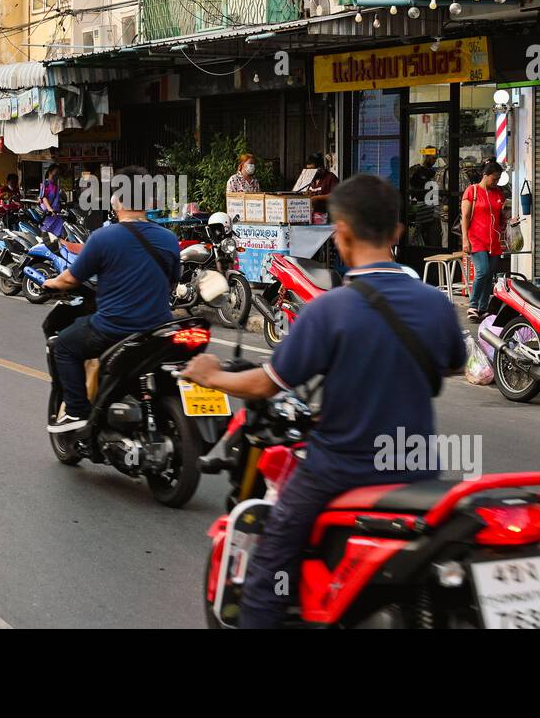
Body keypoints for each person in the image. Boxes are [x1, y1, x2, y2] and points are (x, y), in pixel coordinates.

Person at [181, 174, 467, 628]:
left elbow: (265, 384)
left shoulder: (329, 310)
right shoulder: (435, 304)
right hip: (419, 470)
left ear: (342, 234)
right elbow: (452, 365)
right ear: (397, 233)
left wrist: (213, 374)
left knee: (270, 556)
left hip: (341, 469)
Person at [43, 165, 181, 432]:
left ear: (116, 200)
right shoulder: (169, 239)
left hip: (114, 329)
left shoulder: (103, 238)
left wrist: (50, 284)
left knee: (63, 347)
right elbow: (172, 280)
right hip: (159, 330)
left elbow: (71, 278)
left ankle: (76, 412)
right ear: (149, 202)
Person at [461, 160, 506, 322]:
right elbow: (465, 217)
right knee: (483, 271)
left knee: (490, 275)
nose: (496, 182)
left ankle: (483, 308)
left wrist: (508, 220)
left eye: (498, 179)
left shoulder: (498, 193)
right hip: (476, 239)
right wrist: (465, 239)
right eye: (494, 179)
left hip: (493, 240)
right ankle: (473, 305)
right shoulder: (471, 191)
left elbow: (501, 217)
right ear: (485, 175)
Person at [38, 164, 66, 238]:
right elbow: (44, 198)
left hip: (57, 214)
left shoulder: (57, 185)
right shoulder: (46, 183)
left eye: (58, 174)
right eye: (56, 173)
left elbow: (61, 198)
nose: (57, 175)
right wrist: (50, 209)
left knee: (57, 236)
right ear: (50, 172)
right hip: (48, 214)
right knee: (46, 236)